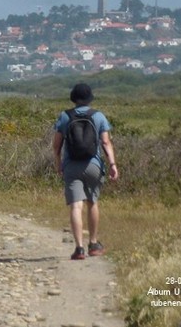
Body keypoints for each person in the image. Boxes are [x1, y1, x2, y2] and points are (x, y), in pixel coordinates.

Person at [52, 83, 119, 260]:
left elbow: (56, 145)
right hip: (93, 165)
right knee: (92, 202)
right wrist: (112, 164)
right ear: (89, 98)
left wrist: (58, 163)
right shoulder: (98, 116)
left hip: (71, 165)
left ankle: (79, 248)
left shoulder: (65, 116)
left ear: (73, 98)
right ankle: (94, 244)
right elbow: (106, 142)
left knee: (76, 206)